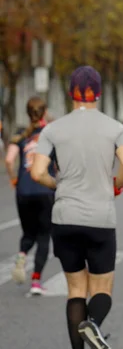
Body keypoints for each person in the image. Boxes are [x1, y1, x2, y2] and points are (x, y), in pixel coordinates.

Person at [30, 66, 123, 349]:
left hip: (64, 218)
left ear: (70, 93)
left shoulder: (52, 129)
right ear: (98, 93)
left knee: (75, 289)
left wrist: (58, 185)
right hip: (100, 217)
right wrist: (116, 184)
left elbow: (37, 171)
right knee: (102, 289)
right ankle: (94, 324)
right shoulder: (116, 128)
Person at [4, 97, 55, 295]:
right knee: (44, 235)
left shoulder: (19, 134)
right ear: (45, 112)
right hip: (44, 189)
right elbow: (58, 162)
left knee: (28, 233)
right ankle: (36, 281)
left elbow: (9, 160)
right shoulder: (50, 134)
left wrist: (14, 179)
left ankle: (22, 253)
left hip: (23, 190)